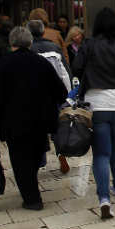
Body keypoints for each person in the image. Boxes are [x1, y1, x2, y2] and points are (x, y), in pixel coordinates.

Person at [0, 26, 67, 210]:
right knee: (34, 156)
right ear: (30, 42)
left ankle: (32, 198)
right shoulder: (41, 62)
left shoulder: (3, 64)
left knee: (19, 159)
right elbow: (59, 91)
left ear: (11, 43)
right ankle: (32, 190)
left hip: (13, 121)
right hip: (40, 120)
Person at [72, 8, 115, 219]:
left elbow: (76, 68)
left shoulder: (88, 45)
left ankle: (104, 198)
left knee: (101, 153)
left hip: (97, 103)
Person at [27, 20, 71, 174]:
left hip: (35, 96)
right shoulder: (54, 48)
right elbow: (65, 73)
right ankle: (62, 156)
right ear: (43, 31)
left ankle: (40, 161)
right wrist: (68, 96)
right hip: (54, 94)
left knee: (38, 128)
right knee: (57, 128)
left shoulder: (27, 50)